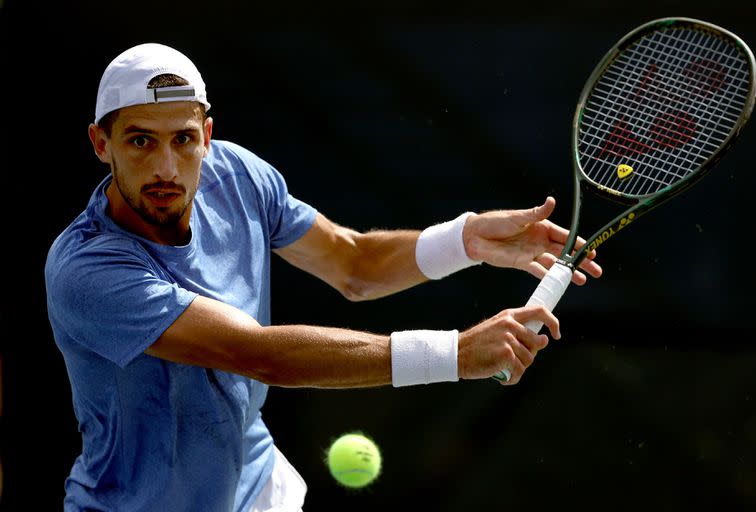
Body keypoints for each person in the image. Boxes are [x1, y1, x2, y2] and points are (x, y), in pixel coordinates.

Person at [44, 42, 602, 512]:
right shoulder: (88, 271)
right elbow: (259, 355)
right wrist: (454, 354)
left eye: (183, 139)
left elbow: (353, 264)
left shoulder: (238, 175)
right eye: (141, 140)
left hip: (257, 491)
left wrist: (463, 240)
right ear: (100, 143)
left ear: (206, 136)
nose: (166, 166)